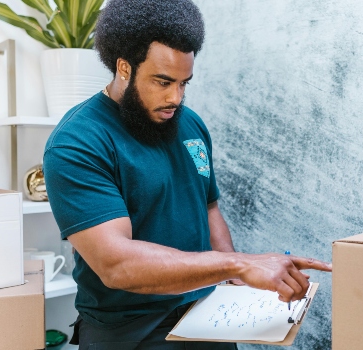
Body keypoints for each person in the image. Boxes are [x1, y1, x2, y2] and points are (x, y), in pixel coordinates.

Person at [43, 0, 332, 348]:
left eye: (184, 83)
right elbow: (116, 264)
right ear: (124, 67)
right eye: (163, 82)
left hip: (205, 314)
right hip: (129, 329)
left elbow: (208, 208)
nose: (175, 98)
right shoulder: (78, 142)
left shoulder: (190, 124)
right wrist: (237, 264)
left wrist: (235, 283)